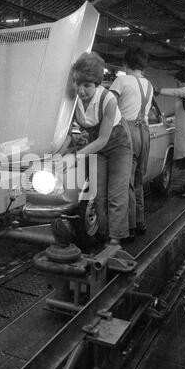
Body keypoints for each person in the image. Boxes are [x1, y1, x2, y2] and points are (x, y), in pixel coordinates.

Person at [72, 52, 132, 246]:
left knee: (116, 193)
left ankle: (116, 239)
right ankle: (103, 235)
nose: (81, 90)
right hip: (96, 146)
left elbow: (104, 138)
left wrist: (76, 156)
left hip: (118, 144)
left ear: (97, 84)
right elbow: (67, 132)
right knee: (98, 195)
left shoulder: (108, 100)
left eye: (87, 85)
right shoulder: (71, 101)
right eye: (77, 83)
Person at [109, 47, 153, 240]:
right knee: (138, 181)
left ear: (126, 62)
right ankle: (141, 222)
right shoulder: (149, 84)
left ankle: (129, 227)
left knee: (125, 183)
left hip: (127, 132)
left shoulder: (122, 80)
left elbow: (109, 107)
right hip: (144, 133)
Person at [155, 69, 185, 197]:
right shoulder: (184, 94)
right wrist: (164, 115)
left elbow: (177, 91)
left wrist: (159, 90)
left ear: (184, 81)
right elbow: (178, 109)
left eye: (178, 83)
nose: (177, 85)